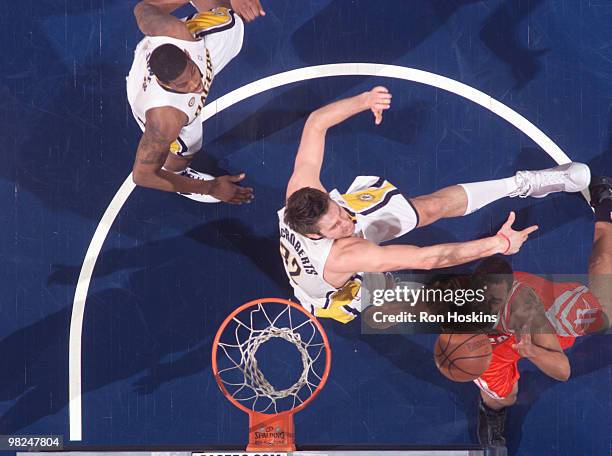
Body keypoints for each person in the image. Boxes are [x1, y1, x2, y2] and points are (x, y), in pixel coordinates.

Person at [278, 86, 591, 323]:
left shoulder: (302, 193)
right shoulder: (348, 254)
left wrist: (364, 100)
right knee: (417, 300)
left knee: (428, 208)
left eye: (339, 212)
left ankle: (521, 185)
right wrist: (497, 243)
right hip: (335, 288)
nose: (347, 222)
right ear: (317, 235)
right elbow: (429, 258)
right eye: (335, 225)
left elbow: (316, 123)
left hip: (318, 264)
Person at [471, 177, 612, 446]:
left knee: (606, 305)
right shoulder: (455, 308)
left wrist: (531, 351)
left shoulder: (528, 312)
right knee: (504, 396)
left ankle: (606, 208)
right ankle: (491, 410)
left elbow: (562, 370)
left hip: (536, 323)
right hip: (491, 349)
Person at [126, 0, 264, 204]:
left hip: (176, 45)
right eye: (184, 85)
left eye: (192, 73)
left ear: (186, 53)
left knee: (231, 22)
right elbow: (143, 175)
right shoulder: (165, 119)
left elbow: (142, 7)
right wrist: (210, 188)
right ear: (165, 83)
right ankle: (177, 171)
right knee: (187, 149)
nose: (195, 85)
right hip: (154, 97)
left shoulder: (175, 31)